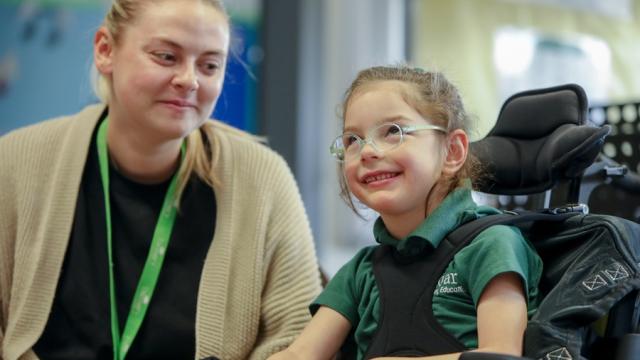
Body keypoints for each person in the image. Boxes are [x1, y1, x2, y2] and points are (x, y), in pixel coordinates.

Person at [0, 0, 322, 359]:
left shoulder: (262, 180)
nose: (189, 80)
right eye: (166, 57)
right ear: (106, 50)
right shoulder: (15, 163)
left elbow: (300, 335)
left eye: (209, 65)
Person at [269, 66, 543, 360]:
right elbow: (300, 355)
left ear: (452, 151)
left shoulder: (492, 244)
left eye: (392, 132)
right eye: (352, 140)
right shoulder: (360, 272)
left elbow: (503, 355)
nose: (367, 151)